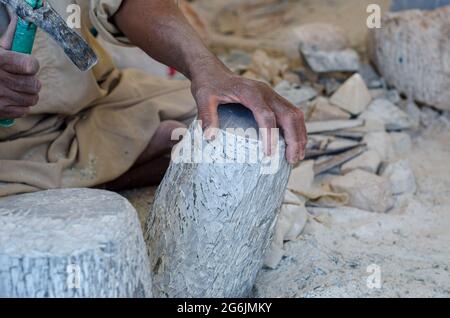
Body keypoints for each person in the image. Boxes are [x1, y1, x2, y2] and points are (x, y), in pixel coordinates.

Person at [0, 0, 307, 196]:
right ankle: (108, 170)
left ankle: (109, 164)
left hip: (94, 96)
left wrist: (205, 67)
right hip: (10, 142)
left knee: (242, 122)